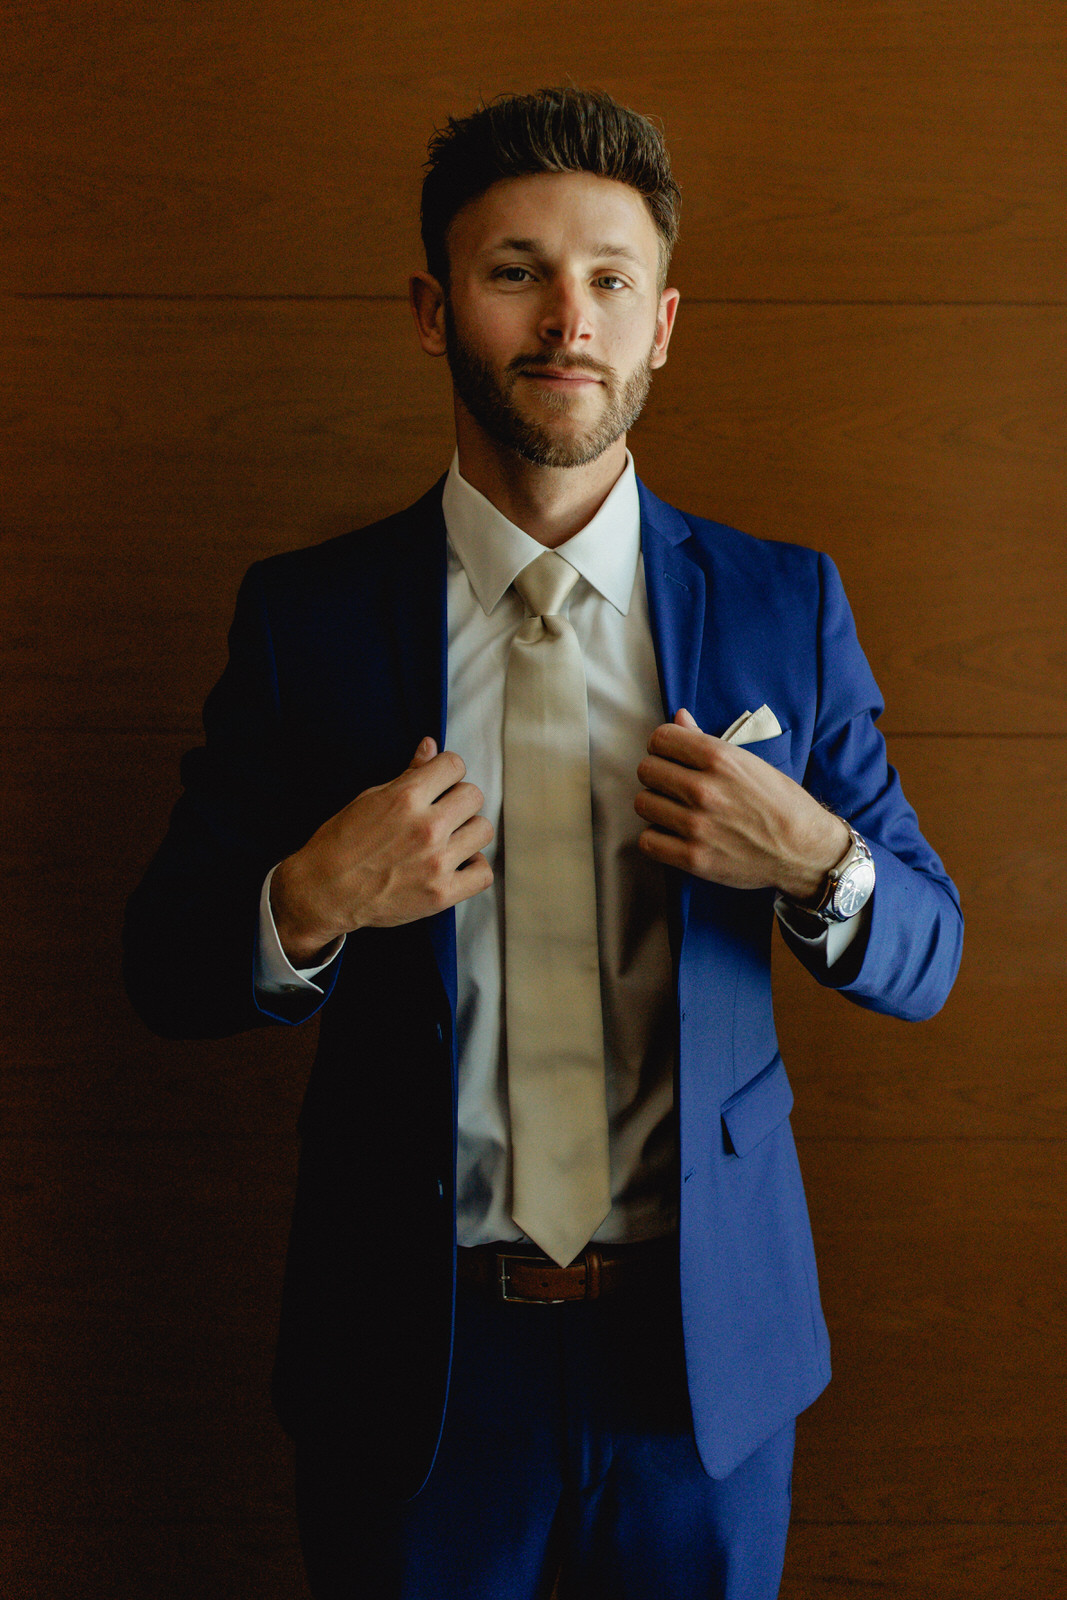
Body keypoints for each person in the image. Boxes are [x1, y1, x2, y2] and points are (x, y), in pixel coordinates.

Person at [124, 87, 963, 1600]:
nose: (566, 318)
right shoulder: (306, 622)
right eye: (518, 272)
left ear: (662, 324)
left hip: (706, 1369)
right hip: (418, 1370)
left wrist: (814, 856)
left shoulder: (790, 606)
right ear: (433, 308)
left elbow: (929, 954)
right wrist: (310, 900)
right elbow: (165, 966)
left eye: (610, 279)